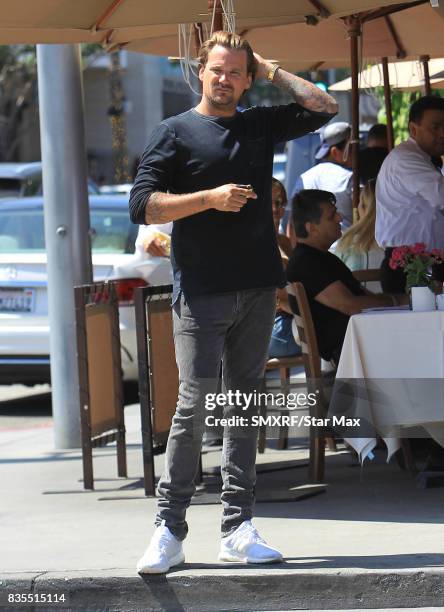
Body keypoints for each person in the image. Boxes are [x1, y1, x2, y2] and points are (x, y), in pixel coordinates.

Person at [129, 31, 338, 573]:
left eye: (236, 72)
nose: (224, 79)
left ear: (247, 79)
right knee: (194, 407)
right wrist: (208, 200)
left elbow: (325, 105)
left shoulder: (258, 122)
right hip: (200, 289)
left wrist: (270, 69)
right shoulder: (173, 133)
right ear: (202, 71)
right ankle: (169, 530)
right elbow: (143, 207)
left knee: (244, 405)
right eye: (217, 69)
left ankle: (237, 527)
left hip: (257, 286)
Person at [286, 189, 407, 365]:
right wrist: (397, 302)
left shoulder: (319, 257)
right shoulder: (307, 263)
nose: (340, 218)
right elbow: (350, 305)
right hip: (354, 351)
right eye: (332, 216)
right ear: (311, 228)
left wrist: (396, 302)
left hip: (362, 342)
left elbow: (360, 296)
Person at [376, 95, 444, 293]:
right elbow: (441, 196)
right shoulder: (406, 159)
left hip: (424, 261)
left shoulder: (422, 158)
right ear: (414, 129)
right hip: (409, 266)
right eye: (436, 127)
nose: (442, 134)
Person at [290, 122, 353, 228]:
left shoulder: (304, 178)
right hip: (347, 243)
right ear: (335, 152)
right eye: (351, 149)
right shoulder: (349, 178)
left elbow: (292, 223)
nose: (357, 153)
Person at [269, 178, 300, 358]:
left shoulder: (284, 242)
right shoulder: (257, 244)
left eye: (279, 203)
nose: (274, 209)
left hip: (290, 321)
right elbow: (279, 298)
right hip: (272, 331)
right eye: (268, 203)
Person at [334, 179, 384, 280]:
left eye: (360, 202)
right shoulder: (402, 242)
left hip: (356, 295)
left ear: (364, 207)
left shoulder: (347, 242)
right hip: (395, 295)